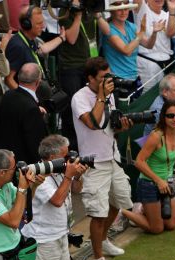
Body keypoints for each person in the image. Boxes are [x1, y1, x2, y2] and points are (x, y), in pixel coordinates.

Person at [71, 57, 133, 260]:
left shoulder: (109, 95)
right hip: (93, 163)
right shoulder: (80, 98)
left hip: (112, 158)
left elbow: (109, 127)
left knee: (117, 202)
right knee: (98, 213)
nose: (108, 81)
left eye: (109, 76)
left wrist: (121, 127)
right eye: (102, 78)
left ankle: (104, 239)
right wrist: (101, 97)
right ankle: (98, 259)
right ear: (90, 78)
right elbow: (93, 124)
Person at [121, 101, 175, 234]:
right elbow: (139, 162)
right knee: (157, 229)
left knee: (171, 225)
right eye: (170, 116)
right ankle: (121, 212)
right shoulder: (156, 136)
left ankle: (145, 210)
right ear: (163, 117)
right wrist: (158, 180)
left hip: (167, 184)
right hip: (149, 184)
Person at [97, 0, 163, 94]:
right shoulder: (109, 29)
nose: (123, 12)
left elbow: (149, 45)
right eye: (119, 9)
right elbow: (126, 50)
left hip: (134, 78)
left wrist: (154, 33)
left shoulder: (131, 26)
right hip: (117, 81)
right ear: (111, 11)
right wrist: (140, 35)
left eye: (126, 8)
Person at [57, 0, 97, 151]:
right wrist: (78, 15)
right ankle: (72, 149)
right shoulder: (65, 11)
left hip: (88, 64)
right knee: (73, 110)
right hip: (71, 67)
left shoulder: (90, 10)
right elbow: (72, 39)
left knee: (89, 106)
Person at [4, 5, 65, 90]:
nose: (43, 26)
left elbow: (44, 49)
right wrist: (28, 98)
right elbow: (8, 80)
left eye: (42, 22)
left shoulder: (31, 40)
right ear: (26, 24)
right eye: (39, 23)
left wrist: (61, 37)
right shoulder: (17, 46)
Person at [0, 63, 49, 163]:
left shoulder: (8, 95)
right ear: (38, 81)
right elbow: (35, 145)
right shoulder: (31, 108)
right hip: (24, 164)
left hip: (5, 158)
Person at [133, 0, 175, 92]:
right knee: (147, 97)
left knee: (165, 97)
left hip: (166, 63)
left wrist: (172, 10)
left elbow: (171, 33)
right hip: (147, 64)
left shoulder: (166, 14)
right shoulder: (142, 9)